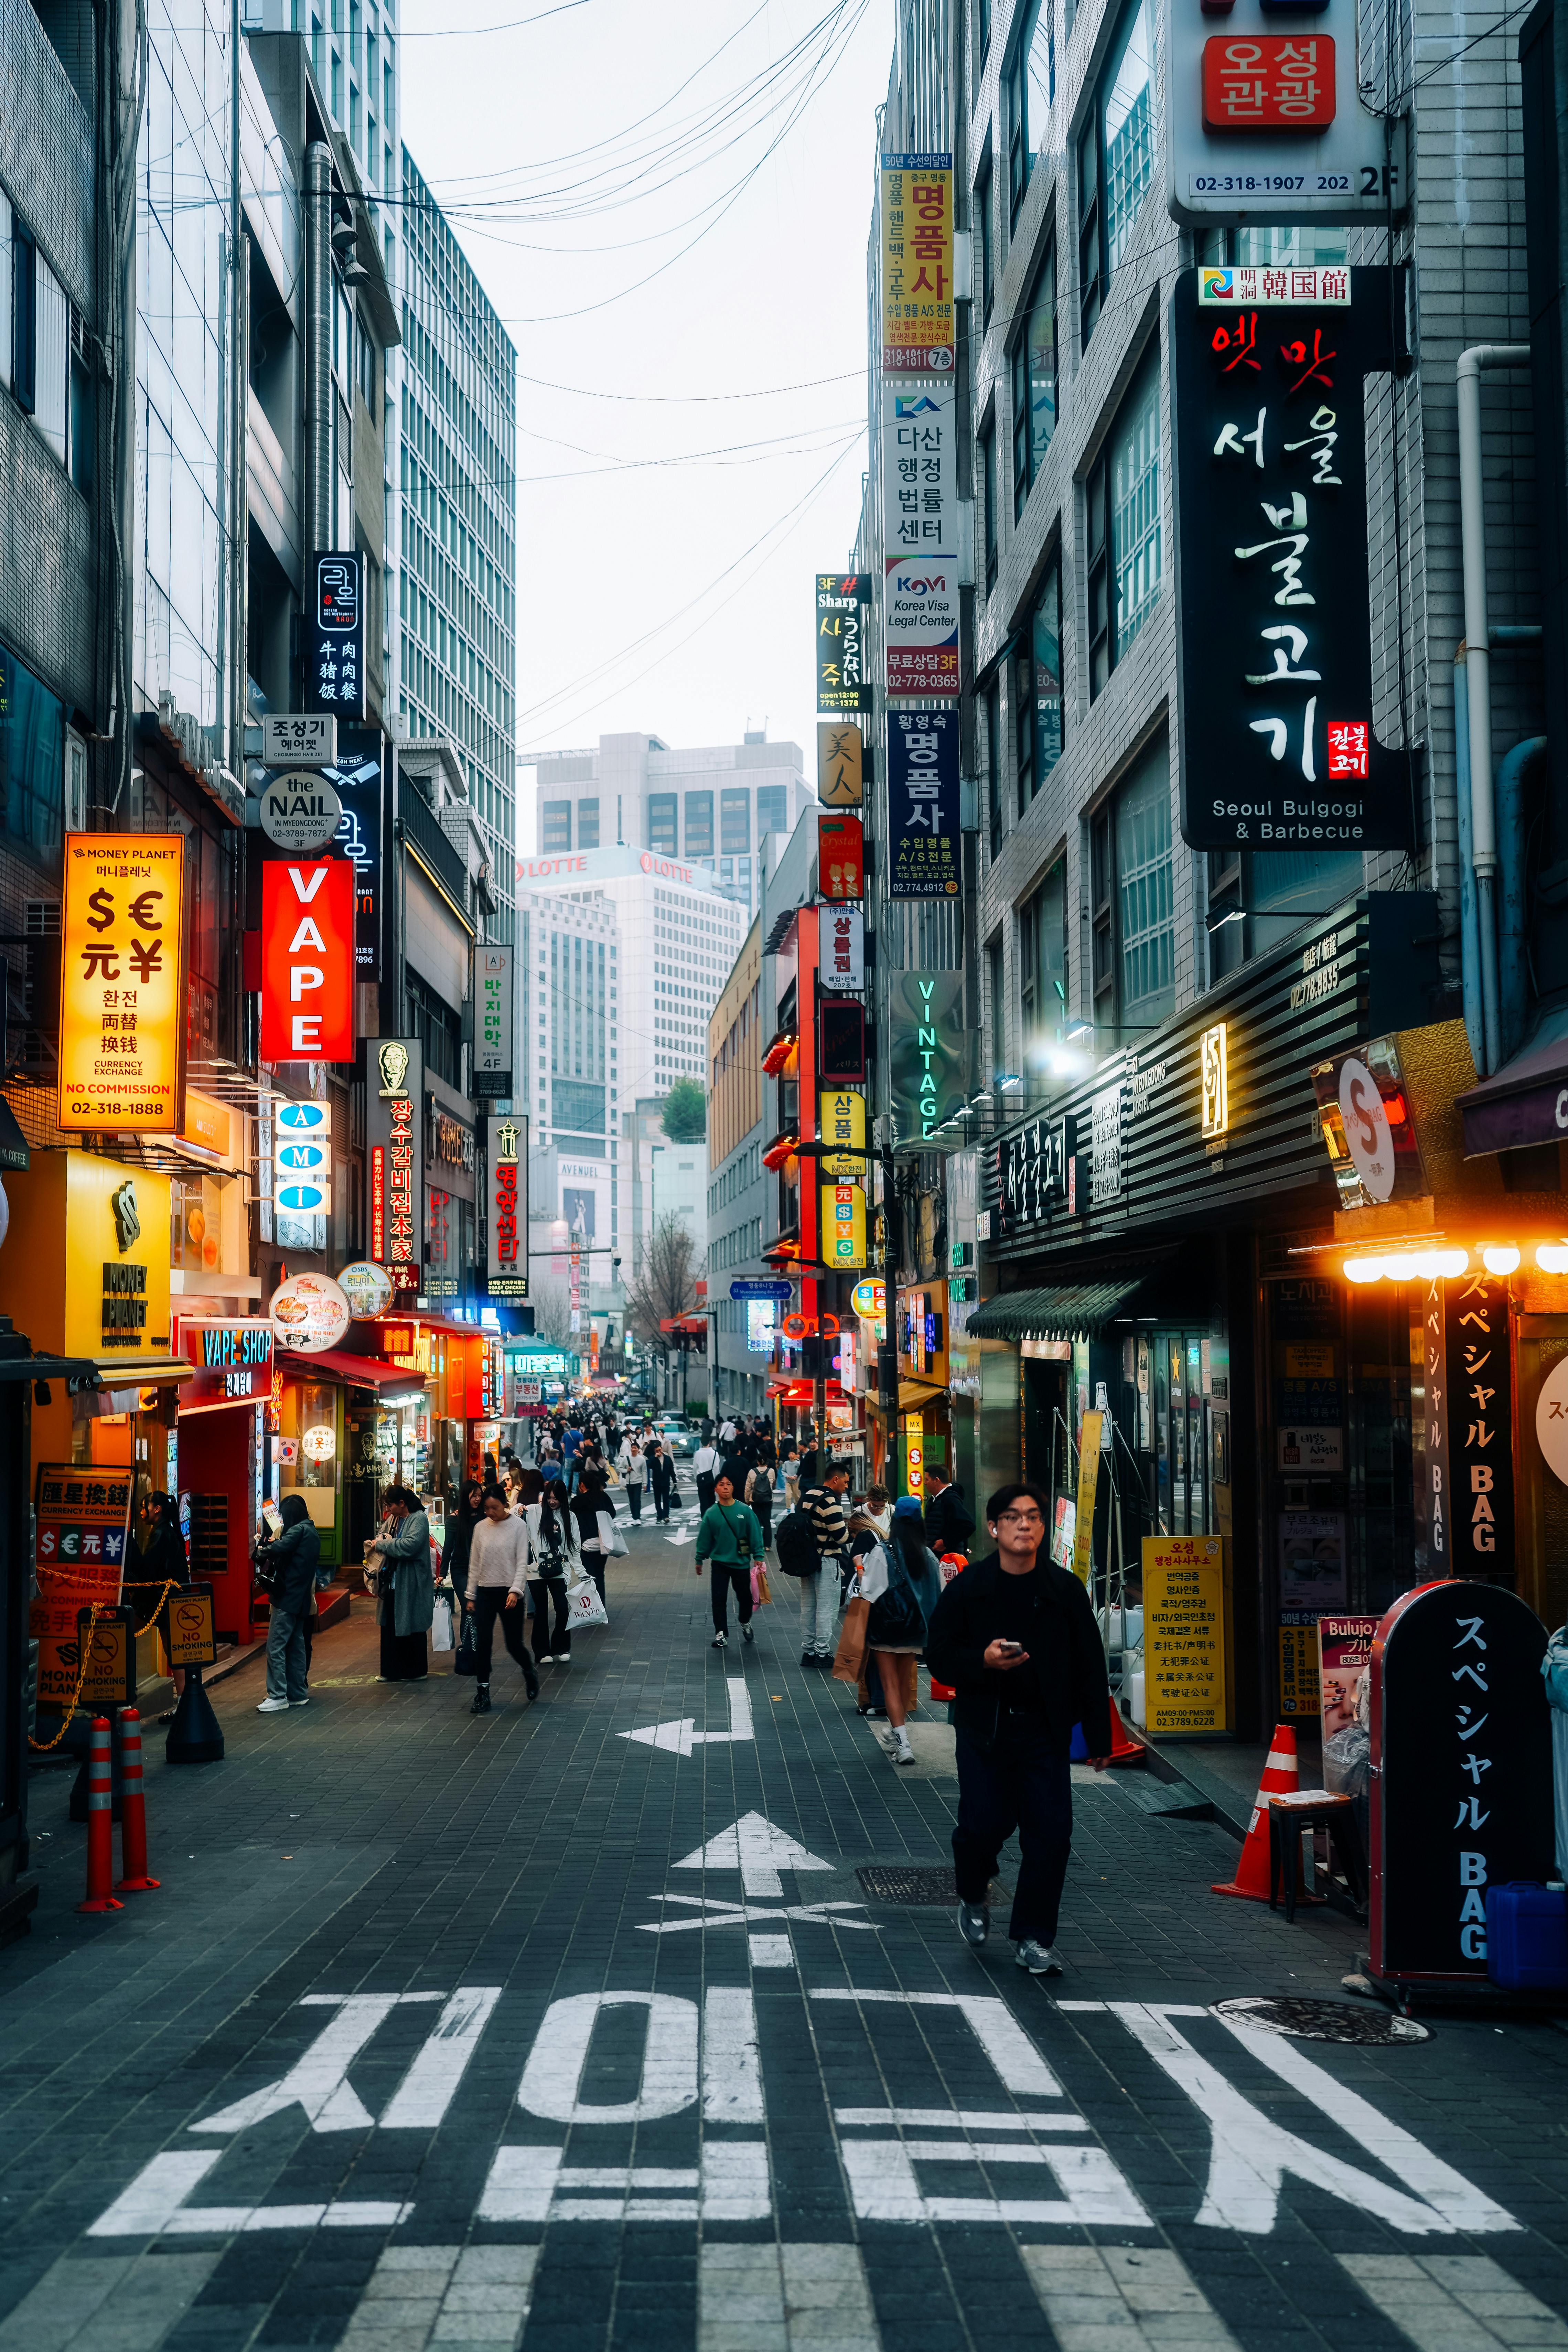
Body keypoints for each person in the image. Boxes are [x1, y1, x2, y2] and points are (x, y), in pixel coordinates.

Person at [925, 1482, 1112, 1975]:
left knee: (1050, 1834)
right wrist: (981, 1662)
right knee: (981, 1826)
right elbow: (938, 1656)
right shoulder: (970, 1587)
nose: (1024, 1524)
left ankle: (1033, 1936)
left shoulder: (1063, 1591)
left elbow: (1090, 1665)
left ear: (1043, 1527)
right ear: (993, 1527)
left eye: (1032, 1516)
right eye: (1012, 1517)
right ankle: (972, 1890)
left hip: (1044, 1733)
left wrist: (1098, 1736)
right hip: (985, 1731)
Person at [465, 1485, 538, 1715]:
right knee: (483, 1644)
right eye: (486, 1508)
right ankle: (483, 1692)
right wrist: (471, 1595)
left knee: (514, 1644)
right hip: (485, 1592)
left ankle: (529, 1672)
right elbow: (474, 1564)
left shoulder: (518, 1526)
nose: (490, 1512)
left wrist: (516, 1590)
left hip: (509, 1593)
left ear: (505, 1504)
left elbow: (521, 1562)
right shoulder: (480, 1528)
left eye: (494, 1507)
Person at [255, 1494, 319, 1714]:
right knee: (296, 1647)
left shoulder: (298, 1531)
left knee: (275, 1647)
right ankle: (297, 1693)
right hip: (301, 1599)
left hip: (287, 1598)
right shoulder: (311, 1531)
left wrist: (261, 1550)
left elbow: (279, 1549)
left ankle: (278, 1695)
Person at [367, 1485, 436, 1682]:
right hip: (392, 1581)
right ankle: (390, 1670)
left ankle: (414, 1671)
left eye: (390, 1506)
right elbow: (382, 1535)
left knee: (412, 1623)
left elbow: (410, 1546)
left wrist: (381, 1544)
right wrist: (381, 1541)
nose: (387, 1510)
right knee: (390, 1624)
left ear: (402, 1504)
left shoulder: (419, 1518)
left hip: (411, 1581)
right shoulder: (393, 1519)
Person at [695, 1472, 765, 1648]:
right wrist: (699, 1559)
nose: (725, 1487)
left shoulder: (744, 1511)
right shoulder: (711, 1513)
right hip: (720, 1563)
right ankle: (721, 1634)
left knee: (745, 1598)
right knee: (718, 1599)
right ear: (716, 1489)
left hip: (741, 1563)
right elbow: (705, 1539)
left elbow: (755, 1533)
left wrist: (758, 1556)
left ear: (733, 1488)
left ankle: (745, 1621)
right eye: (722, 1484)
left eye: (729, 1484)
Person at [139, 1492, 191, 1722]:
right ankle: (185, 1700)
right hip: (175, 1599)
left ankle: (184, 1701)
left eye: (145, 1506)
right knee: (175, 1651)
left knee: (175, 1652)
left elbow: (148, 1567)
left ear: (157, 1509)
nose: (142, 1511)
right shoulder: (168, 1531)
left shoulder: (160, 1534)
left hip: (167, 1599)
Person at [798, 1460, 851, 1668]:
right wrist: (852, 1531)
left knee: (809, 1606)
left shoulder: (809, 1495)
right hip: (828, 1559)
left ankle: (808, 1651)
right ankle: (822, 1652)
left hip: (808, 1559)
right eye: (845, 1482)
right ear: (835, 1479)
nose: (846, 1486)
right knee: (826, 1607)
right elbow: (840, 1537)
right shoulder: (831, 1501)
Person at [526, 1476, 578, 1665]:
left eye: (557, 1498)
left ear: (563, 1498)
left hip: (559, 1569)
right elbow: (515, 1513)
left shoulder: (570, 1517)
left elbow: (575, 1547)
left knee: (563, 1609)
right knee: (541, 1610)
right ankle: (542, 1651)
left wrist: (580, 1572)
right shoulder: (534, 1511)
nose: (553, 1501)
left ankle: (561, 1647)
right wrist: (517, 1509)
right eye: (550, 1498)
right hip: (535, 1570)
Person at [441, 1481, 485, 1619]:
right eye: (474, 1496)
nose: (478, 1499)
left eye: (480, 1495)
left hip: (482, 1568)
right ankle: (468, 1641)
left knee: (480, 1608)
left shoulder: (485, 1517)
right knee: (468, 1607)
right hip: (460, 1568)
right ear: (466, 1497)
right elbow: (448, 1547)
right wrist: (442, 1573)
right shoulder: (454, 1519)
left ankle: (476, 1640)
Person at [923, 1467, 977, 1559]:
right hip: (934, 1558)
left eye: (927, 1479)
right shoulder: (934, 1499)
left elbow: (968, 1525)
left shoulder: (950, 1499)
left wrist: (946, 1542)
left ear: (937, 1481)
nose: (925, 1483)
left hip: (948, 1560)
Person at [745, 1460, 774, 1552]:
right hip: (768, 1499)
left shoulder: (752, 1471)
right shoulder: (771, 1471)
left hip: (755, 1499)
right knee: (767, 1522)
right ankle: (768, 1546)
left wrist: (747, 1500)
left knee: (756, 1522)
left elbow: (748, 1488)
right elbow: (773, 1484)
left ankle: (757, 1545)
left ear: (757, 1462)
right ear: (767, 1462)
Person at [647, 1439, 677, 1524]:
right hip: (657, 1483)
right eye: (657, 1451)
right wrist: (655, 1457)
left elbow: (672, 1471)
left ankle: (666, 1516)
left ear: (662, 1448)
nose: (659, 1452)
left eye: (660, 1450)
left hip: (666, 1483)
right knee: (657, 1501)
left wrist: (675, 1481)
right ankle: (659, 1517)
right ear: (655, 1451)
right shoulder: (653, 1459)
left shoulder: (668, 1459)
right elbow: (649, 1465)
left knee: (666, 1500)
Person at [619, 1433, 646, 1521]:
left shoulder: (642, 1459)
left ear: (638, 1450)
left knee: (637, 1500)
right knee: (632, 1501)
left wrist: (645, 1484)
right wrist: (626, 1470)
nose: (634, 1449)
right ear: (630, 1449)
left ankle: (638, 1518)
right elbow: (619, 1468)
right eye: (633, 1448)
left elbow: (644, 1472)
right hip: (629, 1482)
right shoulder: (626, 1459)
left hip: (638, 1482)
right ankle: (634, 1517)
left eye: (636, 1448)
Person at [692, 1435, 721, 1516]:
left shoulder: (698, 1453)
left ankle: (704, 1517)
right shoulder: (715, 1453)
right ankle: (712, 1516)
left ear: (701, 1443)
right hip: (711, 1478)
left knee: (703, 1500)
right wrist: (716, 1479)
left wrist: (696, 1477)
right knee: (712, 1499)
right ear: (710, 1442)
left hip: (701, 1478)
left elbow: (695, 1467)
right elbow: (717, 1467)